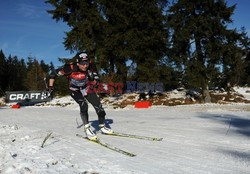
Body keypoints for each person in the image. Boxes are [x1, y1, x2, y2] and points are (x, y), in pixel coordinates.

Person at [48, 52, 113, 141]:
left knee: (99, 107)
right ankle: (87, 128)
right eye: (82, 64)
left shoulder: (90, 66)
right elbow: (52, 74)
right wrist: (51, 87)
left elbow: (95, 76)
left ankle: (102, 127)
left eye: (86, 63)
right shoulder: (69, 68)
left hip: (86, 87)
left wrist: (96, 82)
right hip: (74, 89)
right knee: (83, 104)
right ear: (78, 63)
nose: (85, 66)